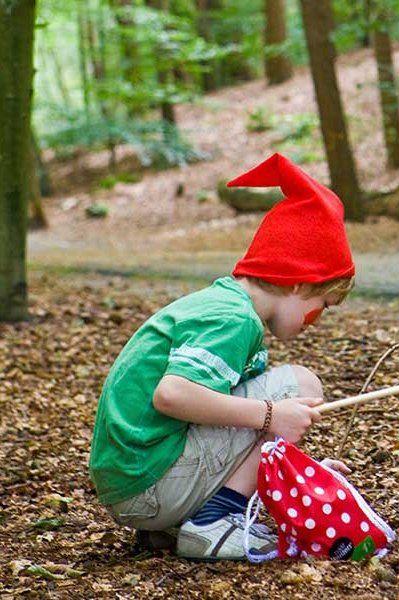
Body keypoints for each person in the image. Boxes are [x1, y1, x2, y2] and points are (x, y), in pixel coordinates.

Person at [89, 153, 355, 560]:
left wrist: (300, 469)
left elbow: (224, 430)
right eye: (324, 304)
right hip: (150, 484)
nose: (317, 320)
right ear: (301, 283)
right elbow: (173, 395)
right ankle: (214, 522)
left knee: (272, 401)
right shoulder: (234, 320)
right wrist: (271, 415)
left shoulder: (222, 305)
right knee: (299, 385)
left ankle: (189, 520)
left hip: (136, 482)